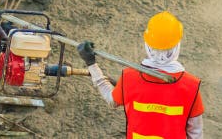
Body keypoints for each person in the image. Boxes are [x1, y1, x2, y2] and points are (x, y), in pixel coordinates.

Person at [77, 11, 204, 139]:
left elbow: (112, 100)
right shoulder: (191, 86)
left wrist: (91, 64)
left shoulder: (129, 77)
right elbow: (196, 134)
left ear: (147, 45)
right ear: (177, 46)